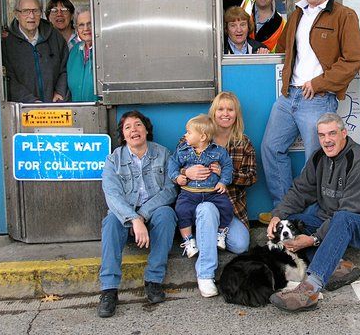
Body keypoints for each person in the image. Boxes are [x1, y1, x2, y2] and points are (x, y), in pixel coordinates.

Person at [261, 0, 360, 213]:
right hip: (289, 97)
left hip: (318, 98)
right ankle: (284, 209)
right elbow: (287, 49)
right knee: (271, 148)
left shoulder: (344, 15)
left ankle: (313, 216)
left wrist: (319, 83)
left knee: (316, 160)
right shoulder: (297, 13)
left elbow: (353, 59)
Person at [266, 113, 360, 312]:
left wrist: (313, 239)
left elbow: (350, 211)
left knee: (343, 218)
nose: (327, 140)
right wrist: (278, 214)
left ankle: (310, 289)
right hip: (331, 220)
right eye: (322, 135)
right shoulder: (319, 157)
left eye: (332, 133)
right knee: (294, 221)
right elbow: (300, 192)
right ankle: (339, 267)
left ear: (344, 133)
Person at [173, 92, 257, 297]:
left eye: (230, 110)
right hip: (197, 204)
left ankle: (206, 237)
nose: (225, 114)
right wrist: (186, 172)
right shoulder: (193, 136)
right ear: (214, 112)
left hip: (230, 207)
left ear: (236, 115)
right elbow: (174, 165)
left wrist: (226, 175)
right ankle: (205, 274)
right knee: (207, 209)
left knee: (240, 245)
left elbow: (252, 177)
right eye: (221, 109)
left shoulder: (242, 143)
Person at [97, 111, 177, 318]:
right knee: (110, 222)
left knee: (167, 215)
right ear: (123, 135)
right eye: (128, 127)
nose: (134, 130)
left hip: (153, 213)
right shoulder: (113, 159)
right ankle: (109, 289)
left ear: (147, 129)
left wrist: (141, 215)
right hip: (125, 215)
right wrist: (133, 218)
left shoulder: (163, 154)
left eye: (138, 125)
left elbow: (170, 190)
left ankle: (153, 281)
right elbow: (112, 195)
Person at [168, 114, 234, 259]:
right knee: (181, 210)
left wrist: (223, 181)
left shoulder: (218, 151)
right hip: (189, 192)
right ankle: (188, 240)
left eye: (189, 132)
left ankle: (220, 233)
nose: (185, 135)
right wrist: (178, 177)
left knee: (227, 206)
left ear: (202, 137)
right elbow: (172, 163)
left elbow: (228, 166)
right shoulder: (183, 150)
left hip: (212, 192)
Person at [2, 0, 69, 103]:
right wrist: (30, 101)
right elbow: (8, 79)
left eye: (36, 11)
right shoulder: (7, 42)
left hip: (55, 107)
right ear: (16, 14)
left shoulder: (54, 36)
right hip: (24, 109)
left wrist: (60, 91)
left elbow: (65, 67)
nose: (31, 16)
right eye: (26, 11)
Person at [66, 10, 96, 102]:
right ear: (76, 29)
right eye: (81, 25)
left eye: (90, 24)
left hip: (101, 111)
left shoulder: (104, 51)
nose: (86, 28)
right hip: (78, 111)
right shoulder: (74, 51)